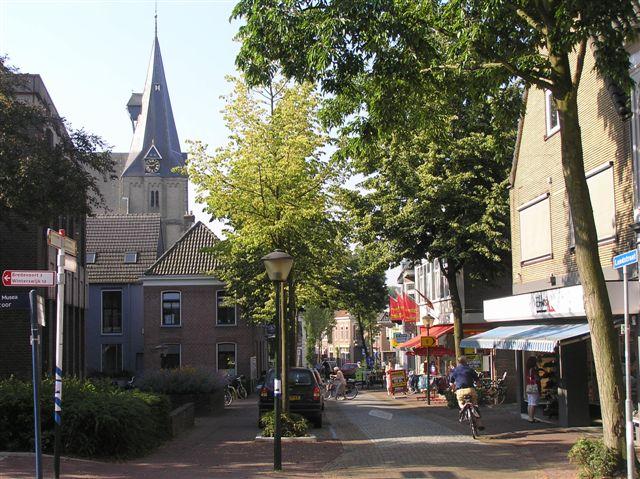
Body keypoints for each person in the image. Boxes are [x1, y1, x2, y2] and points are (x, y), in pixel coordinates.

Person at [449, 356, 484, 430]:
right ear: (466, 362)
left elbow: (451, 384)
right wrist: (479, 386)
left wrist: (453, 389)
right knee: (475, 405)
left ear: (458, 362)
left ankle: (463, 409)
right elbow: (477, 381)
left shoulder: (454, 371)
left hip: (460, 391)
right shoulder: (470, 369)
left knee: (460, 403)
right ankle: (479, 423)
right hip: (470, 390)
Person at [525, 356, 541, 423]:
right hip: (534, 387)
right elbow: (536, 378)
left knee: (530, 402)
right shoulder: (533, 369)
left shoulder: (527, 369)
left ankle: (530, 417)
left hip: (529, 386)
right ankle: (532, 418)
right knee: (533, 403)